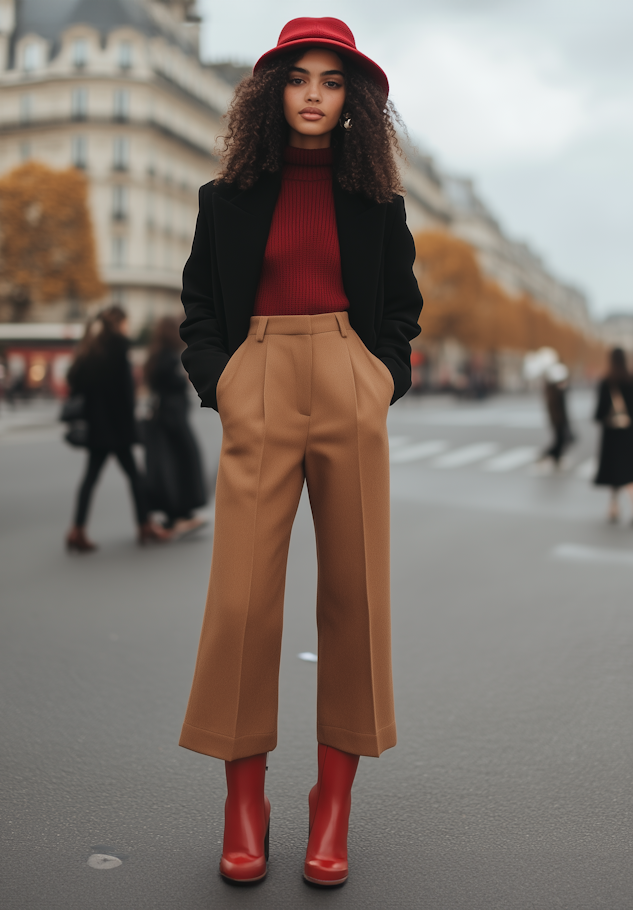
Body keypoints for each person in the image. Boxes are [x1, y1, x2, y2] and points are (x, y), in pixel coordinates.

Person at [178, 17, 423, 887]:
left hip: (349, 385)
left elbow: (402, 314)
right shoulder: (225, 200)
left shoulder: (380, 206)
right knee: (243, 604)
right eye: (297, 77)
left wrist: (380, 378)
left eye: (329, 80)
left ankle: (333, 803)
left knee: (355, 599)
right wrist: (226, 383)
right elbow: (200, 315)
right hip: (260, 379)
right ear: (271, 93)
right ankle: (246, 804)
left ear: (352, 100)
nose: (313, 93)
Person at [65, 306, 168, 552]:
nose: (128, 328)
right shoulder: (120, 347)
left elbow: (75, 385)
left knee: (90, 479)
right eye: (126, 323)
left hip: (97, 427)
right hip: (118, 428)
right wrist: (132, 426)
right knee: (135, 477)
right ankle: (145, 525)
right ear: (119, 324)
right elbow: (125, 394)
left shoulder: (90, 350)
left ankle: (77, 530)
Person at [142, 316, 208, 537]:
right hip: (174, 419)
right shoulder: (168, 359)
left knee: (169, 466)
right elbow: (175, 386)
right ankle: (181, 515)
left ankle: (176, 515)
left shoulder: (154, 356)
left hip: (164, 418)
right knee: (185, 462)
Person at [594, 347, 633, 522]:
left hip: (612, 434)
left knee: (613, 471)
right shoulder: (631, 381)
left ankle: (614, 507)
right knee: (629, 472)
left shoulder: (606, 382)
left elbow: (599, 413)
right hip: (629, 434)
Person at [540, 362, 574, 467]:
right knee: (560, 440)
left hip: (558, 419)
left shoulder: (552, 389)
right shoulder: (554, 390)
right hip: (558, 420)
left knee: (560, 440)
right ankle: (549, 455)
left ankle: (555, 457)